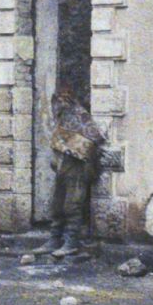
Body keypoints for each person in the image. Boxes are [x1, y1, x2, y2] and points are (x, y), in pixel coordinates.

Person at [47, 90, 107, 259]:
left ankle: (71, 242)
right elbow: (59, 141)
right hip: (64, 165)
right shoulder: (62, 118)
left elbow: (94, 138)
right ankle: (54, 239)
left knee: (72, 204)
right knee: (57, 203)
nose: (57, 105)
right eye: (56, 101)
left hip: (78, 166)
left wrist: (77, 149)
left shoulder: (80, 116)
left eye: (61, 101)